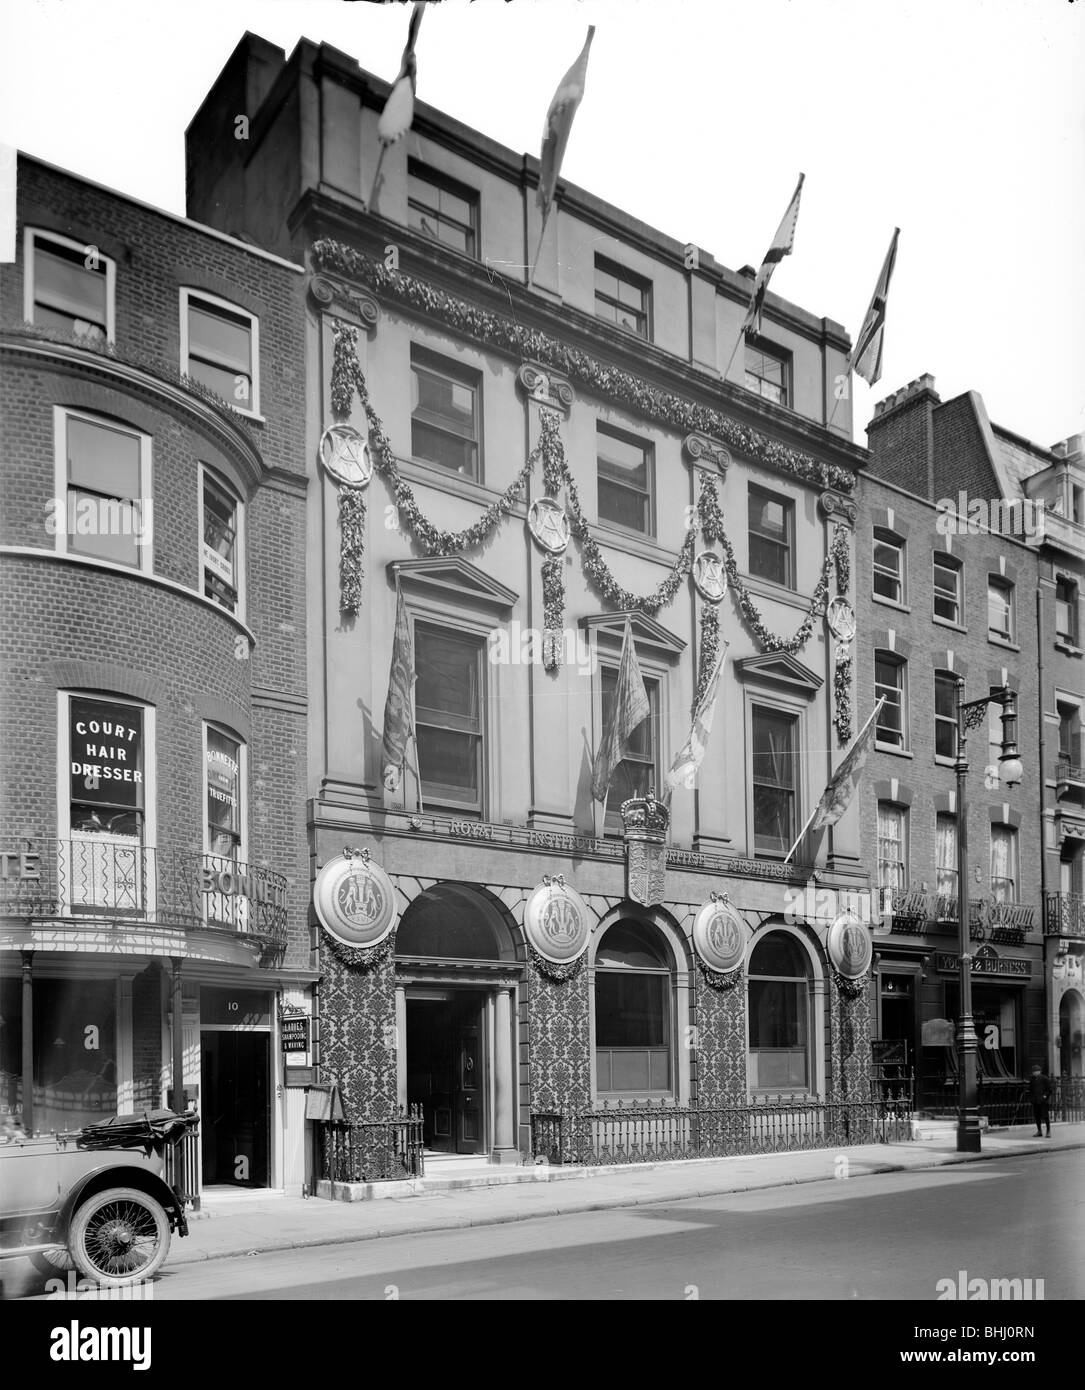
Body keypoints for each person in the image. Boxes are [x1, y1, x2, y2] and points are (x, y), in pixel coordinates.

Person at [1028, 1063, 1052, 1138]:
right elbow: (1030, 1090)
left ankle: (1048, 1131)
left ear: (1039, 1071)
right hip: (1035, 1101)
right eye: (1033, 1071)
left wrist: (1045, 1096)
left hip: (1043, 1101)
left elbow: (1049, 1089)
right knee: (1037, 1116)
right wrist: (1031, 1098)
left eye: (1035, 1071)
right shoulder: (1032, 1079)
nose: (1034, 1072)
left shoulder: (1045, 1078)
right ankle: (1039, 1131)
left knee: (1045, 1116)